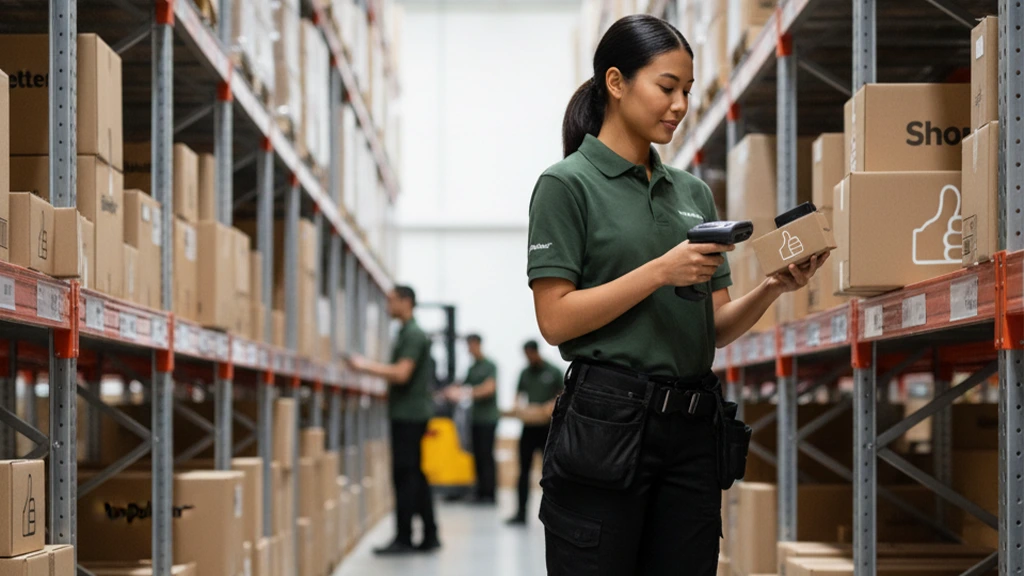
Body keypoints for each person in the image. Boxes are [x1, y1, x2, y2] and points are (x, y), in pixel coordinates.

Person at [527, 14, 828, 575]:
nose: (681, 104)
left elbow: (713, 326)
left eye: (687, 90)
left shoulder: (691, 193)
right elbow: (555, 320)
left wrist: (771, 287)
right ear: (616, 83)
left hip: (692, 428)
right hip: (606, 424)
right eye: (667, 87)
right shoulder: (566, 186)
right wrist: (660, 271)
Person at [346, 285, 441, 555]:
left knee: (405, 475)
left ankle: (404, 537)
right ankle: (430, 534)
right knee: (414, 474)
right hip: (408, 413)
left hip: (409, 415)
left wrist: (363, 366)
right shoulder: (407, 332)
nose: (387, 306)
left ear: (406, 301)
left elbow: (401, 374)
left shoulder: (413, 334)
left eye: (391, 300)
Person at [506, 340, 564, 526]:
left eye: (530, 354)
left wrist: (550, 406)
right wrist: (517, 408)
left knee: (550, 472)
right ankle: (520, 513)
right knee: (523, 470)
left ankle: (555, 513)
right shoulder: (525, 373)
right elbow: (517, 397)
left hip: (547, 428)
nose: (528, 358)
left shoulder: (553, 371)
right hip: (529, 427)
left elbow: (563, 394)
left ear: (536, 352)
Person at [445, 334, 499, 504]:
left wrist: (466, 393)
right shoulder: (472, 367)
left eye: (469, 345)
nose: (468, 349)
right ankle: (480, 492)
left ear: (477, 344)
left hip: (487, 418)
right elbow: (461, 383)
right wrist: (449, 391)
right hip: (474, 419)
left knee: (486, 455)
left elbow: (489, 389)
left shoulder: (489, 365)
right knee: (476, 455)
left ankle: (489, 494)